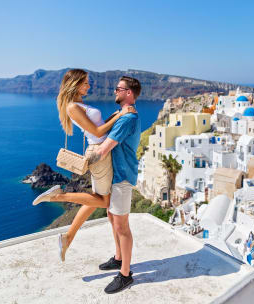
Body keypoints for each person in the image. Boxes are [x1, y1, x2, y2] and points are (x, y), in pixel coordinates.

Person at [32, 69, 136, 263]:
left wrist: (113, 116)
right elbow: (96, 131)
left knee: (94, 201)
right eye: (86, 83)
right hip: (100, 154)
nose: (89, 86)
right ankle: (57, 196)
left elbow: (97, 129)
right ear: (75, 84)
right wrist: (120, 115)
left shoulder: (78, 104)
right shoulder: (72, 106)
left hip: (100, 150)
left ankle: (68, 237)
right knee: (104, 202)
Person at [87, 76, 141, 294]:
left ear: (129, 93)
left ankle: (126, 275)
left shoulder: (127, 119)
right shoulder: (122, 115)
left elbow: (103, 149)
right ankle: (119, 259)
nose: (114, 90)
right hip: (115, 175)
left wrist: (83, 164)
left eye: (119, 88)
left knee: (122, 226)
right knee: (112, 218)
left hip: (123, 176)